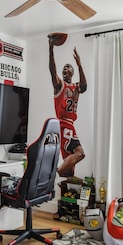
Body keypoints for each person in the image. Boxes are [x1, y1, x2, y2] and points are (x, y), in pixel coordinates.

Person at [49, 35, 88, 177]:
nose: (64, 69)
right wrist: (50, 48)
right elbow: (52, 71)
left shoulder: (75, 86)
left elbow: (84, 87)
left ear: (72, 71)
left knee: (70, 170)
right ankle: (55, 172)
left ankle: (63, 177)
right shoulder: (60, 85)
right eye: (63, 68)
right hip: (63, 123)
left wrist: (79, 65)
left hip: (70, 124)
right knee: (80, 153)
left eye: (67, 67)